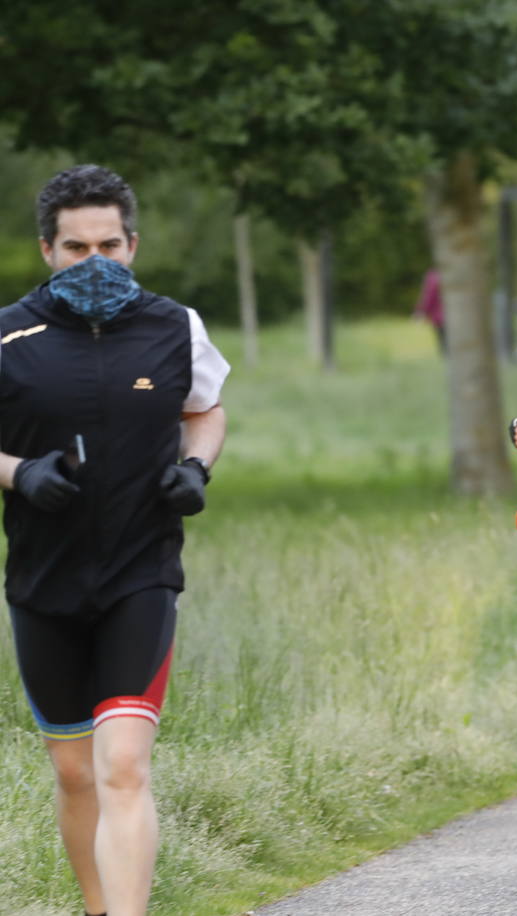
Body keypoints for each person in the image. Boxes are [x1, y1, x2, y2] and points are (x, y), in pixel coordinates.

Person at [0, 164, 230, 916]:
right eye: (75, 248)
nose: (94, 262)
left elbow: (205, 410)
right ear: (47, 249)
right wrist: (19, 472)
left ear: (133, 244)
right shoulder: (9, 335)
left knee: (123, 765)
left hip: (142, 570)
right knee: (75, 775)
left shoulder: (174, 326)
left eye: (109, 245)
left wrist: (195, 468)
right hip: (43, 580)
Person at [413, 267, 445, 353]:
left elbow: (429, 296)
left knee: (445, 346)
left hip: (441, 318)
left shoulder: (434, 276)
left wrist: (421, 312)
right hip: (460, 318)